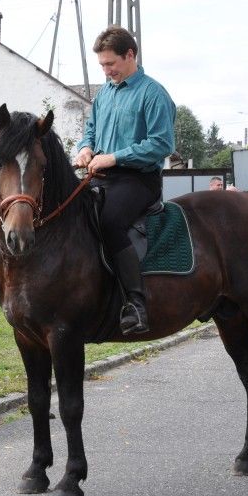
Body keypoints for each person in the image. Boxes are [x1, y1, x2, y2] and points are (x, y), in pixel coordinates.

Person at [73, 26, 175, 335]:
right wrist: (85, 148)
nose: (106, 71)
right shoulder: (104, 93)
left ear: (130, 55)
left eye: (110, 64)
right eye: (102, 65)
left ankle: (135, 303)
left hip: (138, 180)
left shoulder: (153, 93)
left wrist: (114, 157)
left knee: (109, 221)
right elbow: (90, 129)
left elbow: (161, 144)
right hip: (101, 175)